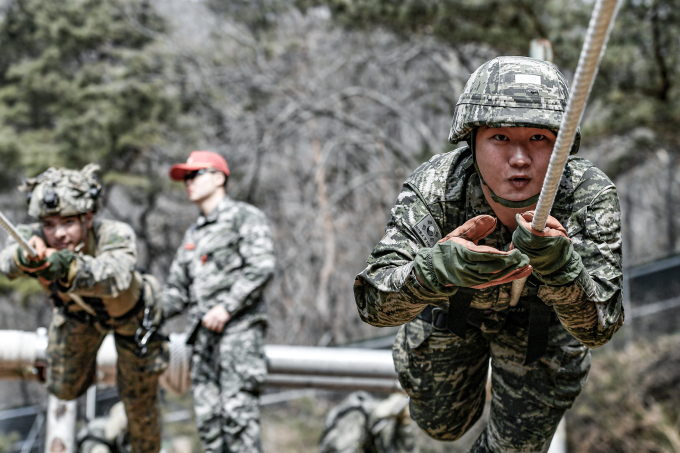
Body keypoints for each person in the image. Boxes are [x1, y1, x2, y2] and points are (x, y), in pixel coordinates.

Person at [353, 56, 624, 452]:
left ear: (562, 146)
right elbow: (373, 303)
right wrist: (434, 270)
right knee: (441, 425)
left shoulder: (588, 194)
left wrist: (563, 269)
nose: (519, 158)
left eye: (539, 139)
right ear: (472, 140)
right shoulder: (436, 185)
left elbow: (600, 326)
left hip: (541, 330)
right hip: (452, 315)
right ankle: (382, 425)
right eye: (500, 138)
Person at [0, 164, 167, 453]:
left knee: (140, 409)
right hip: (79, 317)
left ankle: (124, 422)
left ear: (88, 218)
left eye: (68, 223)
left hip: (133, 321)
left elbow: (115, 275)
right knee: (63, 387)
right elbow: (8, 261)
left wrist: (66, 265)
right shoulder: (33, 236)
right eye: (49, 225)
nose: (59, 234)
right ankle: (106, 424)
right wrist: (25, 257)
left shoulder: (114, 234)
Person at [161, 151, 276, 453]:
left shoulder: (244, 217)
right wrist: (142, 311)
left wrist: (226, 307)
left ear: (218, 176)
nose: (188, 182)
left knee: (239, 425)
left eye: (194, 174)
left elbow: (261, 266)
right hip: (203, 345)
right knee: (209, 429)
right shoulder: (193, 235)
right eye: (185, 177)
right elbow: (177, 290)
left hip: (239, 338)